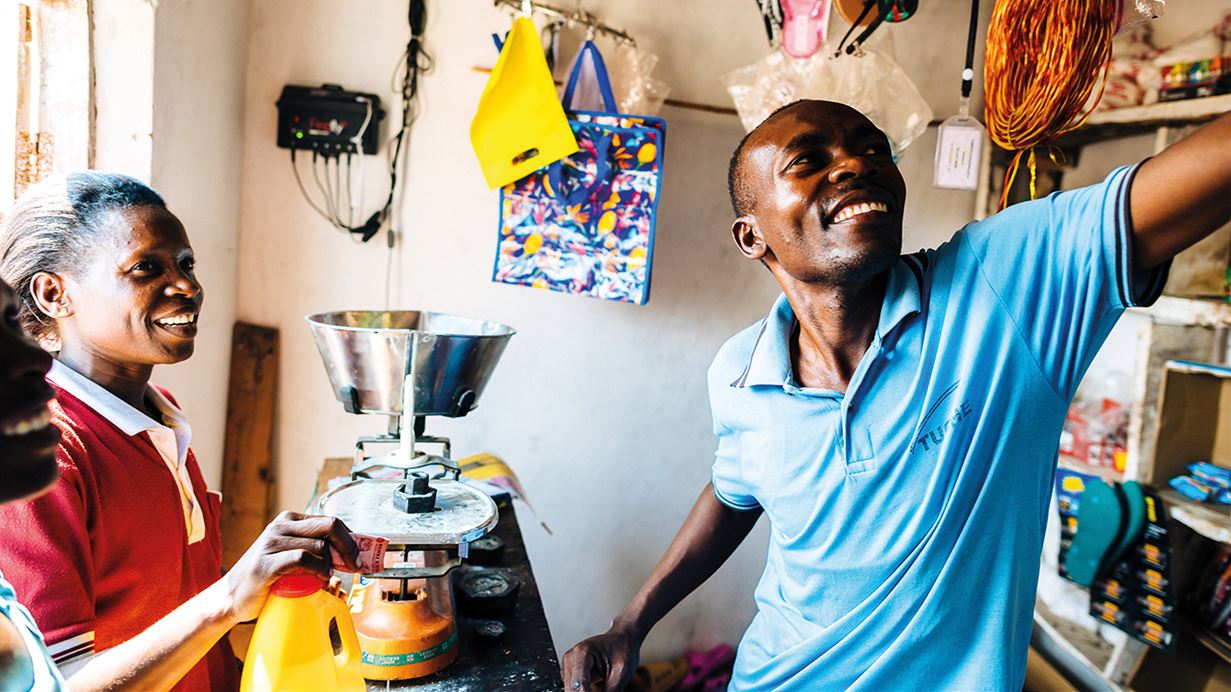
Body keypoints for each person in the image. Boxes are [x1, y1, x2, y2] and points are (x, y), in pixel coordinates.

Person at [562, 100, 1231, 690]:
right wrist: (631, 623)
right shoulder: (738, 370)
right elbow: (735, 490)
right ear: (752, 236)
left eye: (873, 149)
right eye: (809, 159)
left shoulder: (1002, 283)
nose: (856, 164)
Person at [0, 173, 361, 691]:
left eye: (186, 264)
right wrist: (230, 597)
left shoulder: (162, 415)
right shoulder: (44, 459)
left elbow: (178, 603)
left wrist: (267, 579)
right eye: (146, 268)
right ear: (54, 293)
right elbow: (64, 684)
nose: (187, 286)